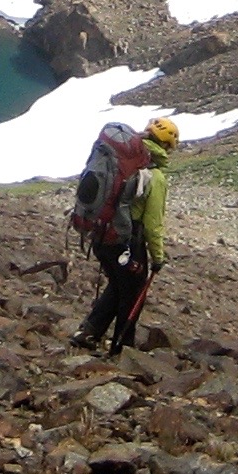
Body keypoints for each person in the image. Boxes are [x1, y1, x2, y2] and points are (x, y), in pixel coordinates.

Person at [75, 115, 177, 353]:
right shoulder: (155, 176)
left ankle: (89, 332)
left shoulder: (125, 162)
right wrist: (158, 257)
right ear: (166, 146)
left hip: (101, 234)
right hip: (127, 241)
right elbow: (153, 224)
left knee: (119, 285)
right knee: (133, 293)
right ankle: (122, 347)